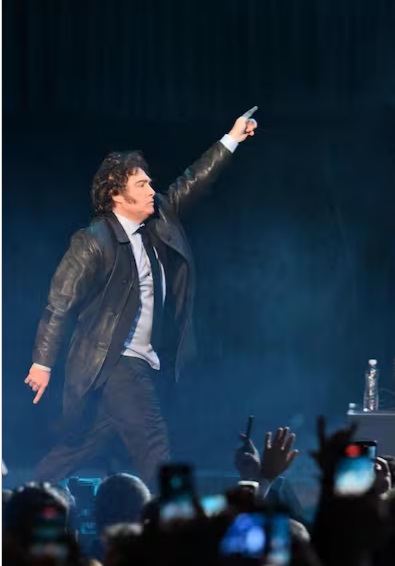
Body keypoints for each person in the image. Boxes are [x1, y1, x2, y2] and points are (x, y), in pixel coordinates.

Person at [23, 112, 258, 483]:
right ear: (117, 194)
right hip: (114, 361)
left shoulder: (158, 219)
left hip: (144, 360)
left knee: (82, 445)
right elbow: (60, 303)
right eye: (143, 185)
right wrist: (42, 363)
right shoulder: (92, 241)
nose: (153, 190)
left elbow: (192, 182)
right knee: (154, 444)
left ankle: (25, 498)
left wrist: (230, 139)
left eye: (151, 184)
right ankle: (171, 522)